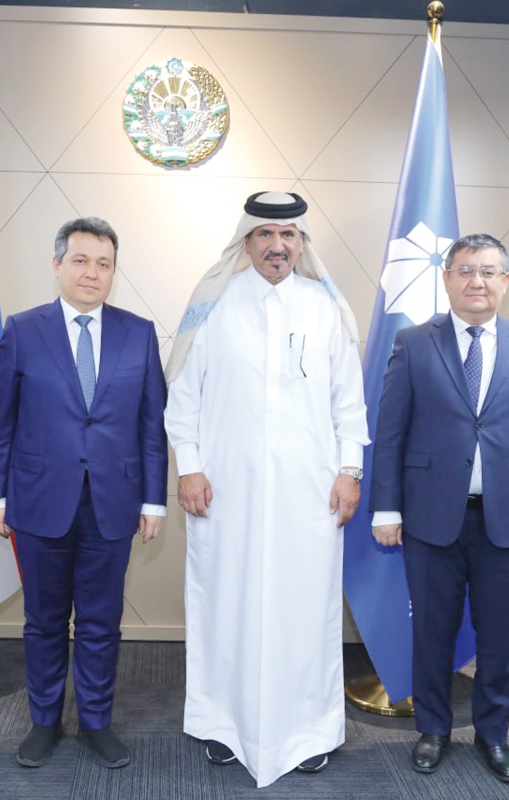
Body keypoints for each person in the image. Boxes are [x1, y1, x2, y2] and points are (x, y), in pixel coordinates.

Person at [164, 191, 369, 788]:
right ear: (246, 242)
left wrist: (349, 471)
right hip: (224, 493)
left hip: (312, 496)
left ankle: (310, 732)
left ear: (302, 244)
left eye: (289, 236)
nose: (277, 246)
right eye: (264, 235)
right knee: (226, 604)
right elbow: (185, 398)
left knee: (306, 610)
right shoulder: (211, 306)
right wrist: (190, 467)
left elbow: (347, 403)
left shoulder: (326, 308)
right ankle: (224, 725)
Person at [370, 233, 509, 784]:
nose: (476, 281)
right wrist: (385, 509)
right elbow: (390, 434)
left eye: (488, 271)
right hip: (430, 520)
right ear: (447, 278)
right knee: (432, 632)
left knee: (498, 638)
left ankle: (494, 736)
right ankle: (433, 730)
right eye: (464, 270)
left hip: (507, 519)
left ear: (505, 281)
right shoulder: (414, 343)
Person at [0, 217, 167, 770]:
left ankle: (95, 721)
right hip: (39, 500)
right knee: (43, 620)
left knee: (99, 621)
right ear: (58, 264)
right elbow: (3, 420)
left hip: (114, 503)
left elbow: (151, 424)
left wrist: (154, 500)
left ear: (114, 271)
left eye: (104, 263)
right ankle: (45, 721)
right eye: (82, 260)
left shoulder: (139, 332)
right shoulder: (23, 328)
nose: (93, 272)